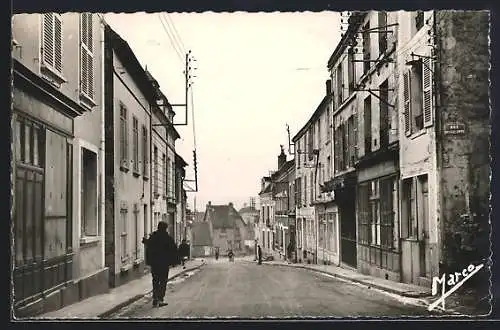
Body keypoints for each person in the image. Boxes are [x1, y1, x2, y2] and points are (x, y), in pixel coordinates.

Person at [143, 221, 179, 307]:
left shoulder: (153, 237)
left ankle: (155, 298)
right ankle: (160, 299)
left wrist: (146, 242)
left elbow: (149, 247)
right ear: (165, 228)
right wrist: (174, 262)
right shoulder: (167, 238)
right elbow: (173, 250)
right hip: (164, 264)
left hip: (155, 264)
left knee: (155, 281)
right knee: (163, 281)